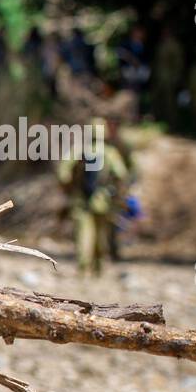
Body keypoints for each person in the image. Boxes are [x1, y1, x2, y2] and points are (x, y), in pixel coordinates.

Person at [57, 116, 134, 275]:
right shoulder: (110, 153)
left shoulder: (78, 150)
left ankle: (83, 267)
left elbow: (62, 174)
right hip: (103, 200)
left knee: (83, 233)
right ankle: (99, 268)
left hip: (80, 200)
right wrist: (117, 195)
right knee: (101, 235)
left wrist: (69, 190)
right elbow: (121, 175)